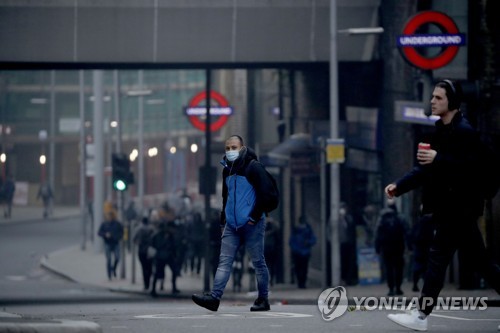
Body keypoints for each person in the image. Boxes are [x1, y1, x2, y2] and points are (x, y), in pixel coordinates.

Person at [385, 79, 500, 331]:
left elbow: (469, 171)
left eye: (438, 98)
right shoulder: (442, 130)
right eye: (433, 97)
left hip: (459, 209)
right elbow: (424, 169)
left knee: (438, 259)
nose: (432, 101)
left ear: (452, 103)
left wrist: (439, 159)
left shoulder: (464, 132)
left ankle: (420, 315)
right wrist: (399, 186)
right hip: (452, 209)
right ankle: (420, 315)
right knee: (481, 263)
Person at [192, 135, 274, 312]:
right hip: (231, 225)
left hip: (253, 224)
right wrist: (223, 221)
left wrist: (254, 217)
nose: (230, 151)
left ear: (242, 147)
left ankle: (263, 299)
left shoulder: (254, 167)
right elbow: (225, 198)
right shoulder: (226, 170)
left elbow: (266, 193)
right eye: (227, 148)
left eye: (234, 147)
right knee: (224, 262)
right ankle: (214, 298)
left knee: (258, 262)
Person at [375, 198, 408, 296]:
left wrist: (377, 247)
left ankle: (391, 289)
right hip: (399, 246)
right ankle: (398, 288)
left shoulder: (382, 218)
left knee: (389, 268)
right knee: (398, 268)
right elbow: (407, 231)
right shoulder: (400, 217)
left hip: (386, 247)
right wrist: (409, 245)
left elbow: (378, 233)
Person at [97, 202, 124, 281]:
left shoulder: (117, 224)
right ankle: (109, 275)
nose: (109, 217)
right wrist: (105, 235)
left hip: (115, 243)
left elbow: (121, 232)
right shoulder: (104, 224)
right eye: (108, 216)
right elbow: (99, 232)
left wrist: (118, 237)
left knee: (117, 258)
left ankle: (113, 269)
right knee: (108, 259)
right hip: (107, 243)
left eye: (111, 215)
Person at [289, 216, 316, 289]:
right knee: (299, 268)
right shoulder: (296, 230)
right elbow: (292, 241)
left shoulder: (308, 229)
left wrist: (308, 243)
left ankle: (302, 283)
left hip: (304, 252)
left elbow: (313, 239)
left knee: (303, 268)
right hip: (299, 252)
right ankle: (301, 282)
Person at [339, 202, 358, 286]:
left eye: (344, 208)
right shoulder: (335, 219)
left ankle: (349, 279)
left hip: (349, 243)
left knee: (350, 262)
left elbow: (352, 229)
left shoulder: (349, 218)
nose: (343, 210)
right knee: (342, 262)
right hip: (341, 244)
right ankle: (342, 279)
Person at [133, 216, 154, 290]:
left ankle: (146, 284)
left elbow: (134, 239)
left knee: (144, 267)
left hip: (141, 250)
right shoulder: (152, 229)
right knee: (150, 267)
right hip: (150, 251)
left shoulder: (138, 229)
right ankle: (149, 281)